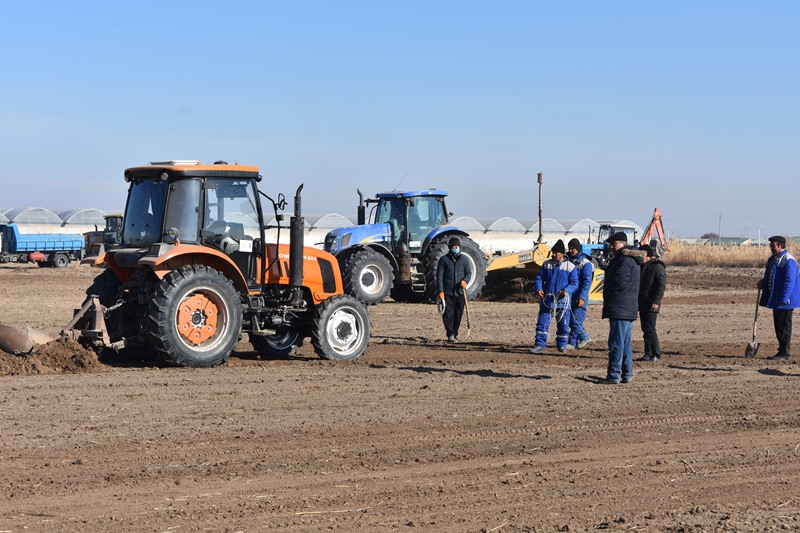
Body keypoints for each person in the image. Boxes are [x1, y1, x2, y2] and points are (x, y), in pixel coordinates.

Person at [601, 232, 645, 384]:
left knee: (616, 343)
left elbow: (620, 283)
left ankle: (613, 375)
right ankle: (627, 374)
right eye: (611, 244)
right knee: (625, 343)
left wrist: (610, 295)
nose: (612, 247)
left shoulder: (624, 261)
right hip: (626, 307)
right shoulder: (628, 260)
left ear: (623, 244)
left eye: (615, 244)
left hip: (620, 307)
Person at [530, 239, 579, 354]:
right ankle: (540, 345)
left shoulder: (570, 267)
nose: (553, 254)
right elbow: (539, 278)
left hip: (562, 302)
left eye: (556, 252)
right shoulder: (547, 264)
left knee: (563, 324)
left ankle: (562, 345)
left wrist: (566, 291)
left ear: (562, 253)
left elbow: (574, 283)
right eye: (553, 252)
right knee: (542, 323)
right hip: (548, 300)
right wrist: (538, 288)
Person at [757, 235, 800, 361]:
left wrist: (784, 297)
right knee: (778, 326)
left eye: (773, 245)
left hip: (786, 300)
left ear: (780, 245)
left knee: (784, 326)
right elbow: (773, 276)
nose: (771, 248)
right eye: (770, 245)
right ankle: (781, 350)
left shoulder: (788, 260)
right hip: (777, 298)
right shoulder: (773, 259)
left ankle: (784, 353)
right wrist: (763, 282)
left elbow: (789, 281)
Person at [436, 237, 472, 342]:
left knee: (458, 314)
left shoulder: (464, 259)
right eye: (453, 247)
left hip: (460, 292)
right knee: (448, 314)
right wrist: (440, 291)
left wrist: (465, 281)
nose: (455, 248)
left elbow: (468, 273)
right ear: (450, 248)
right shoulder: (444, 260)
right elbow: (439, 277)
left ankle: (455, 334)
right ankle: (450, 334)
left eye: (457, 247)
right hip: (447, 292)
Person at [637, 244, 667, 362]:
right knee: (645, 329)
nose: (640, 258)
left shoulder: (657, 268)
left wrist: (656, 301)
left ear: (648, 256)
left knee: (650, 329)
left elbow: (661, 287)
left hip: (651, 303)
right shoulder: (641, 267)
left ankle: (656, 353)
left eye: (642, 255)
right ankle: (648, 353)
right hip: (642, 302)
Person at [566, 238, 594, 350]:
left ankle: (572, 343)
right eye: (569, 248)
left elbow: (587, 282)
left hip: (579, 296)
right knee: (569, 319)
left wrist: (582, 296)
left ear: (578, 249)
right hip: (570, 295)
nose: (571, 251)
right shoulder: (568, 260)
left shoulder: (585, 263)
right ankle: (584, 336)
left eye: (573, 249)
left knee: (576, 319)